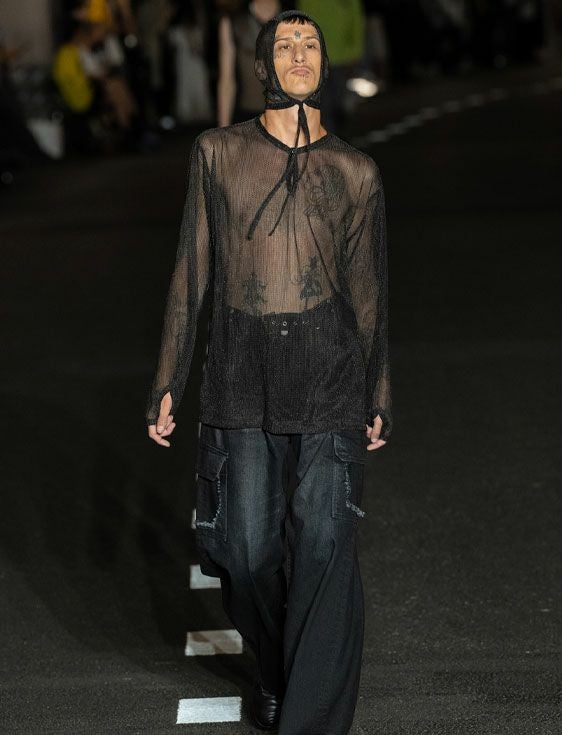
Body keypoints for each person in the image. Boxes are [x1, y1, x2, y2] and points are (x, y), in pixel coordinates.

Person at [145, 9, 392, 733]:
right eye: (284, 45)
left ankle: (310, 717)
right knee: (246, 550)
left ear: (324, 63)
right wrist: (168, 379)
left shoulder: (356, 171)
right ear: (263, 66)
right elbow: (192, 269)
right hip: (241, 368)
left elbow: (369, 292)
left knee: (324, 545)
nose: (299, 54)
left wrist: (377, 389)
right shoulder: (218, 153)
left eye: (310, 44)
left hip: (328, 370)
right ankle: (278, 665)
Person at [217, 0, 282, 127]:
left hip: (287, 121)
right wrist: (222, 131)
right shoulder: (233, 22)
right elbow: (226, 82)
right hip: (246, 120)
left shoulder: (295, 20)